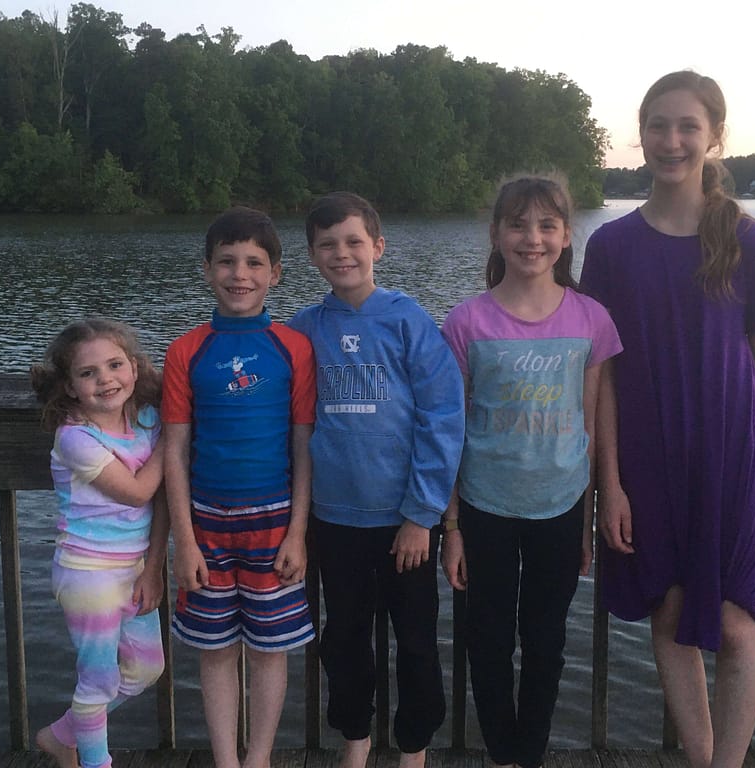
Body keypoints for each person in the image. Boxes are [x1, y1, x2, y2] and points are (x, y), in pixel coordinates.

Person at [578, 71, 755, 768]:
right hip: (647, 456)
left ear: (713, 136)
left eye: (687, 127)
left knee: (735, 623)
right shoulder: (610, 248)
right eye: (658, 126)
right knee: (668, 610)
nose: (671, 141)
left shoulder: (751, 243)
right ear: (640, 136)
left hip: (735, 457)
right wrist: (610, 481)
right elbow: (601, 376)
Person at [440, 175, 622, 768]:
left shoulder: (592, 319)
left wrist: (591, 518)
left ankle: (531, 753)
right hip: (485, 506)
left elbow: (592, 422)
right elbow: (451, 430)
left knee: (546, 644)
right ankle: (502, 752)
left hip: (561, 506)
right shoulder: (466, 322)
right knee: (486, 641)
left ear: (567, 237)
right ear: (495, 234)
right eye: (517, 224)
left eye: (546, 225)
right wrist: (454, 526)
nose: (532, 238)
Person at [288, 191, 465, 768]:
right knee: (344, 640)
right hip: (334, 520)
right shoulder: (301, 332)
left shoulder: (408, 320)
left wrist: (422, 515)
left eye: (354, 242)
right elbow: (264, 395)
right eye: (327, 245)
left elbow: (442, 418)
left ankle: (413, 748)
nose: (342, 254)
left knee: (414, 639)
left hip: (404, 523)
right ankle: (355, 743)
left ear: (378, 247)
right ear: (313, 255)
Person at [162, 206, 316, 768]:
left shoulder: (294, 347)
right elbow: (174, 451)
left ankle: (260, 759)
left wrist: (297, 531)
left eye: (254, 262)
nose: (239, 273)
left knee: (271, 653)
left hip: (274, 521)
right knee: (215, 651)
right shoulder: (187, 349)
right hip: (205, 520)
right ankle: (226, 761)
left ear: (275, 273)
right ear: (206, 269)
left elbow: (304, 447)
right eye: (226, 261)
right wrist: (184, 537)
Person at [30, 317, 169, 768]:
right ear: (69, 387)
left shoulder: (147, 419)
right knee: (98, 680)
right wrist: (175, 439)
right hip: (87, 573)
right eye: (88, 373)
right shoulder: (75, 437)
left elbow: (161, 500)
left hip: (134, 567)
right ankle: (94, 761)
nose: (105, 379)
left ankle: (60, 735)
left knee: (147, 668)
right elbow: (139, 491)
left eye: (114, 365)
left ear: (134, 367)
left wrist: (153, 568)